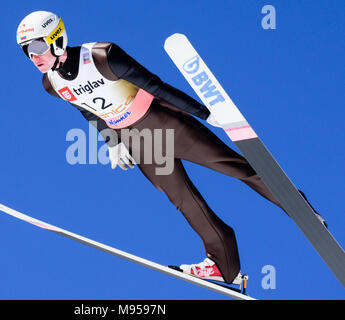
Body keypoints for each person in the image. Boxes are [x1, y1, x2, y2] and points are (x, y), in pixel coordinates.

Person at [16, 11, 325, 285]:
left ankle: (300, 209)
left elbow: (156, 85)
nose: (35, 57)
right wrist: (112, 143)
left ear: (58, 40)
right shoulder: (52, 85)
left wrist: (204, 113)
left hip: (163, 121)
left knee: (234, 166)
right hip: (137, 142)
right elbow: (86, 110)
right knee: (184, 201)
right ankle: (223, 265)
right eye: (27, 52)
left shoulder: (101, 56)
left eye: (38, 47)